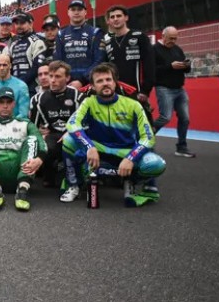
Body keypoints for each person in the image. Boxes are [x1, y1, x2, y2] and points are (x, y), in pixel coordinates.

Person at [60, 63, 166, 207]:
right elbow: (72, 124)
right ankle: (74, 184)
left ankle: (131, 181)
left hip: (125, 150)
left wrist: (131, 158)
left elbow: (148, 138)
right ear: (92, 86)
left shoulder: (133, 105)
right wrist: (89, 147)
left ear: (115, 82)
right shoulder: (88, 102)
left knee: (156, 164)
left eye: (108, 80)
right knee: (68, 140)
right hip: (98, 148)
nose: (105, 84)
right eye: (100, 81)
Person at [29, 61, 84, 187]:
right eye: (51, 76)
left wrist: (70, 133)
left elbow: (85, 123)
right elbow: (33, 127)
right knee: (46, 145)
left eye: (58, 77)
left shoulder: (78, 97)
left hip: (74, 133)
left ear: (67, 78)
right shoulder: (38, 99)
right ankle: (48, 174)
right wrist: (39, 134)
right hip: (52, 134)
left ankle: (79, 176)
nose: (53, 80)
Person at [102, 5, 155, 105]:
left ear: (126, 18)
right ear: (108, 21)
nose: (115, 19)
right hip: (116, 93)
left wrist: (145, 91)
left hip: (137, 93)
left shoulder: (140, 36)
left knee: (142, 120)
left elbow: (150, 64)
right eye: (112, 17)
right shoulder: (108, 42)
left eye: (119, 16)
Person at [153, 26, 193, 157]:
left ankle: (181, 147)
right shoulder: (154, 49)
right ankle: (143, 136)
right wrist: (170, 66)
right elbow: (152, 70)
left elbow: (186, 70)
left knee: (185, 119)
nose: (173, 41)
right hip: (164, 88)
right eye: (171, 38)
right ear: (163, 36)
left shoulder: (178, 49)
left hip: (180, 89)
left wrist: (186, 66)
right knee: (165, 117)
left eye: (176, 38)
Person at [54, 0, 104, 87]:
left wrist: (82, 80)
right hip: (67, 83)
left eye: (79, 9)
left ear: (85, 12)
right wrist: (66, 79)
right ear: (68, 12)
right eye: (73, 10)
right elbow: (58, 62)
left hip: (90, 83)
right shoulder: (60, 34)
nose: (76, 12)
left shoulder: (95, 32)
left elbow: (99, 60)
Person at [7, 12, 47, 94]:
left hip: (33, 89)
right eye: (16, 23)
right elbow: (9, 66)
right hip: (16, 88)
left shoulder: (37, 41)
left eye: (22, 23)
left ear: (31, 23)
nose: (19, 26)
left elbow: (37, 67)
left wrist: (20, 82)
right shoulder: (13, 44)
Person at [0, 54, 29, 120]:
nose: (1, 68)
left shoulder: (21, 86)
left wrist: (9, 125)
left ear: (10, 66)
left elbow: (23, 113)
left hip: (16, 127)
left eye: (4, 65)